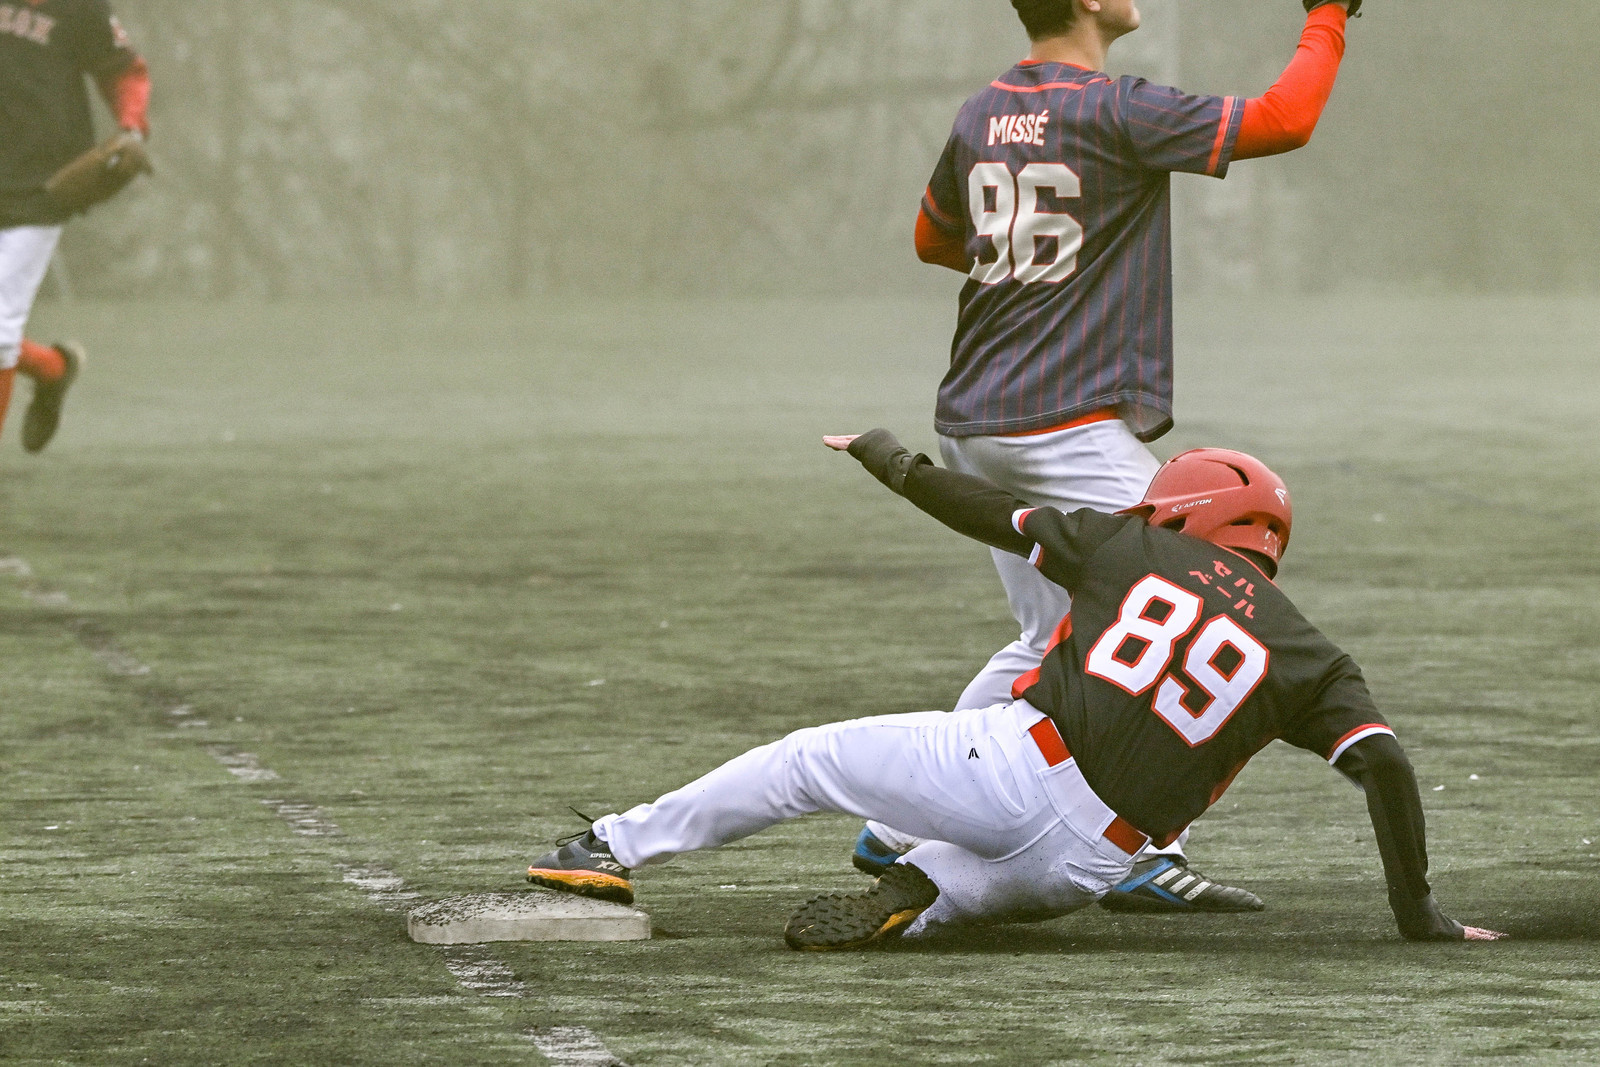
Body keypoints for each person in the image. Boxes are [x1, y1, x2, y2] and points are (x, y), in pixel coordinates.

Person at [525, 430, 1503, 950]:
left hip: (1011, 770)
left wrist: (893, 461)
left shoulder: (1135, 546)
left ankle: (609, 845)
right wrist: (1415, 908)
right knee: (966, 887)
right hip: (1087, 866)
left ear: (1188, 509)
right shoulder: (1313, 656)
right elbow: (1383, 761)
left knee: (807, 759)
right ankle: (927, 885)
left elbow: (990, 509)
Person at [851, 0, 1364, 911]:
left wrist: (1028, 253)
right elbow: (1287, 120)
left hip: (971, 412)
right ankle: (1144, 850)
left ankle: (893, 822)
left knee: (1048, 633)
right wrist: (1328, 13)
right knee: (1191, 590)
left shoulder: (981, 111)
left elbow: (936, 238)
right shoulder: (1116, 107)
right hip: (1061, 422)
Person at [0, 0, 150, 454]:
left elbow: (124, 70)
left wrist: (132, 128)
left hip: (42, 181)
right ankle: (52, 369)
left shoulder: (80, 7)